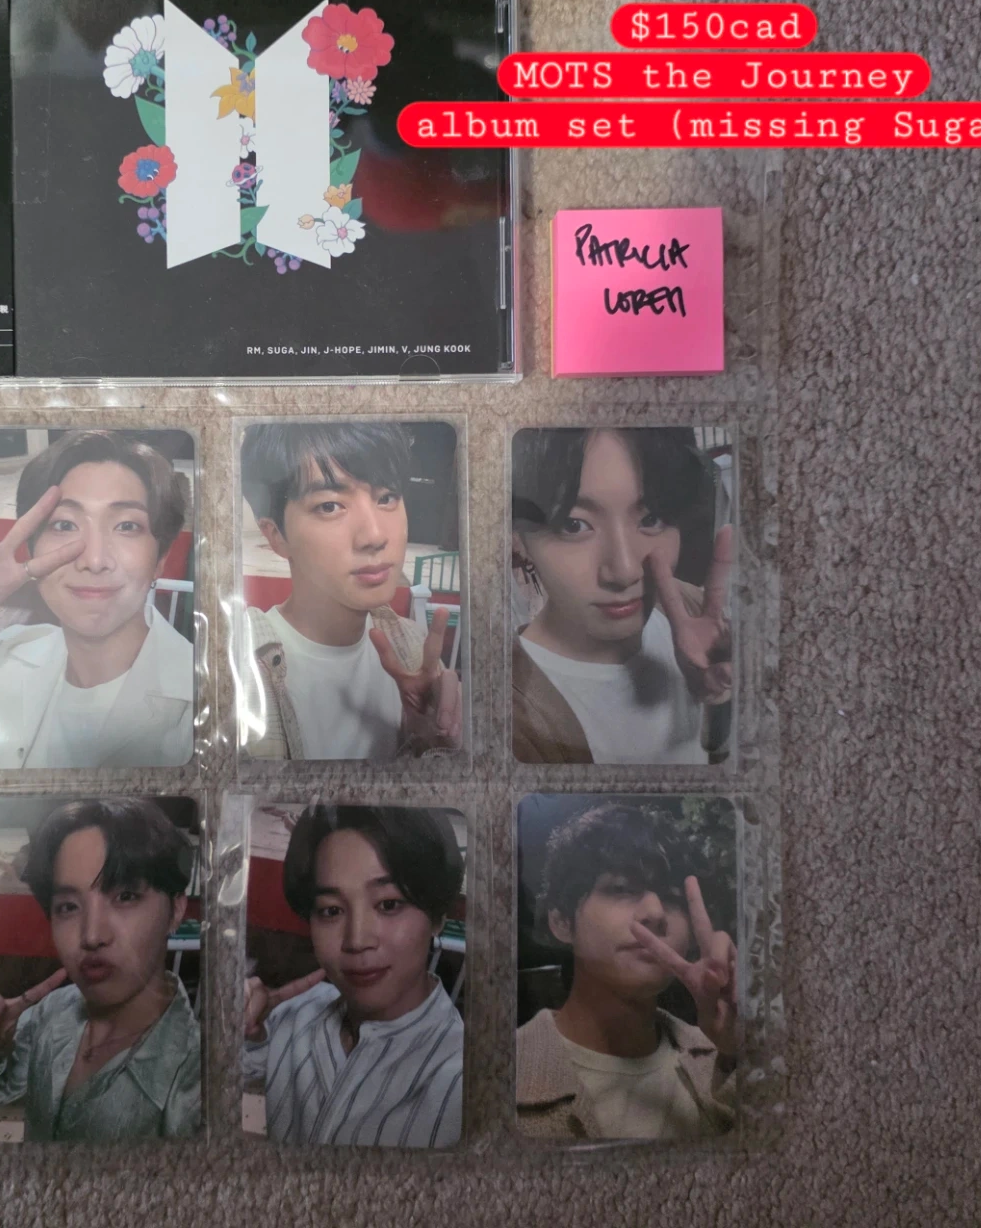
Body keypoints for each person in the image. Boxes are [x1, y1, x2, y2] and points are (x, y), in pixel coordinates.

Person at [0, 430, 194, 769]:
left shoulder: (208, 696)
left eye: (127, 526)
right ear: (32, 549)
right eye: (64, 525)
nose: (95, 560)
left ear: (160, 558)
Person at [0, 797, 201, 1142]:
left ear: (175, 910)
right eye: (69, 906)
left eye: (125, 897)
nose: (92, 935)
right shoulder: (51, 1011)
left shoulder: (195, 1078)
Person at [242, 805, 465, 1149]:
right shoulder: (291, 1017)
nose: (357, 940)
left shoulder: (463, 1079)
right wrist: (245, 1029)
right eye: (331, 910)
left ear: (437, 917)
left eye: (389, 905)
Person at [510, 426, 733, 765]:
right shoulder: (514, 713)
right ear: (519, 538)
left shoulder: (691, 609)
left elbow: (720, 757)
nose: (626, 570)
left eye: (651, 518)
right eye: (573, 525)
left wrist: (719, 700)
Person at [239, 421, 461, 761]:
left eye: (386, 497)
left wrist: (429, 744)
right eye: (329, 506)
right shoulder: (239, 673)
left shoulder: (416, 650)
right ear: (276, 536)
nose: (374, 536)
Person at [516, 801, 737, 1141]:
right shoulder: (503, 1070)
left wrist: (743, 1054)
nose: (655, 912)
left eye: (672, 897)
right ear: (561, 922)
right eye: (621, 889)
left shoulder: (722, 1059)